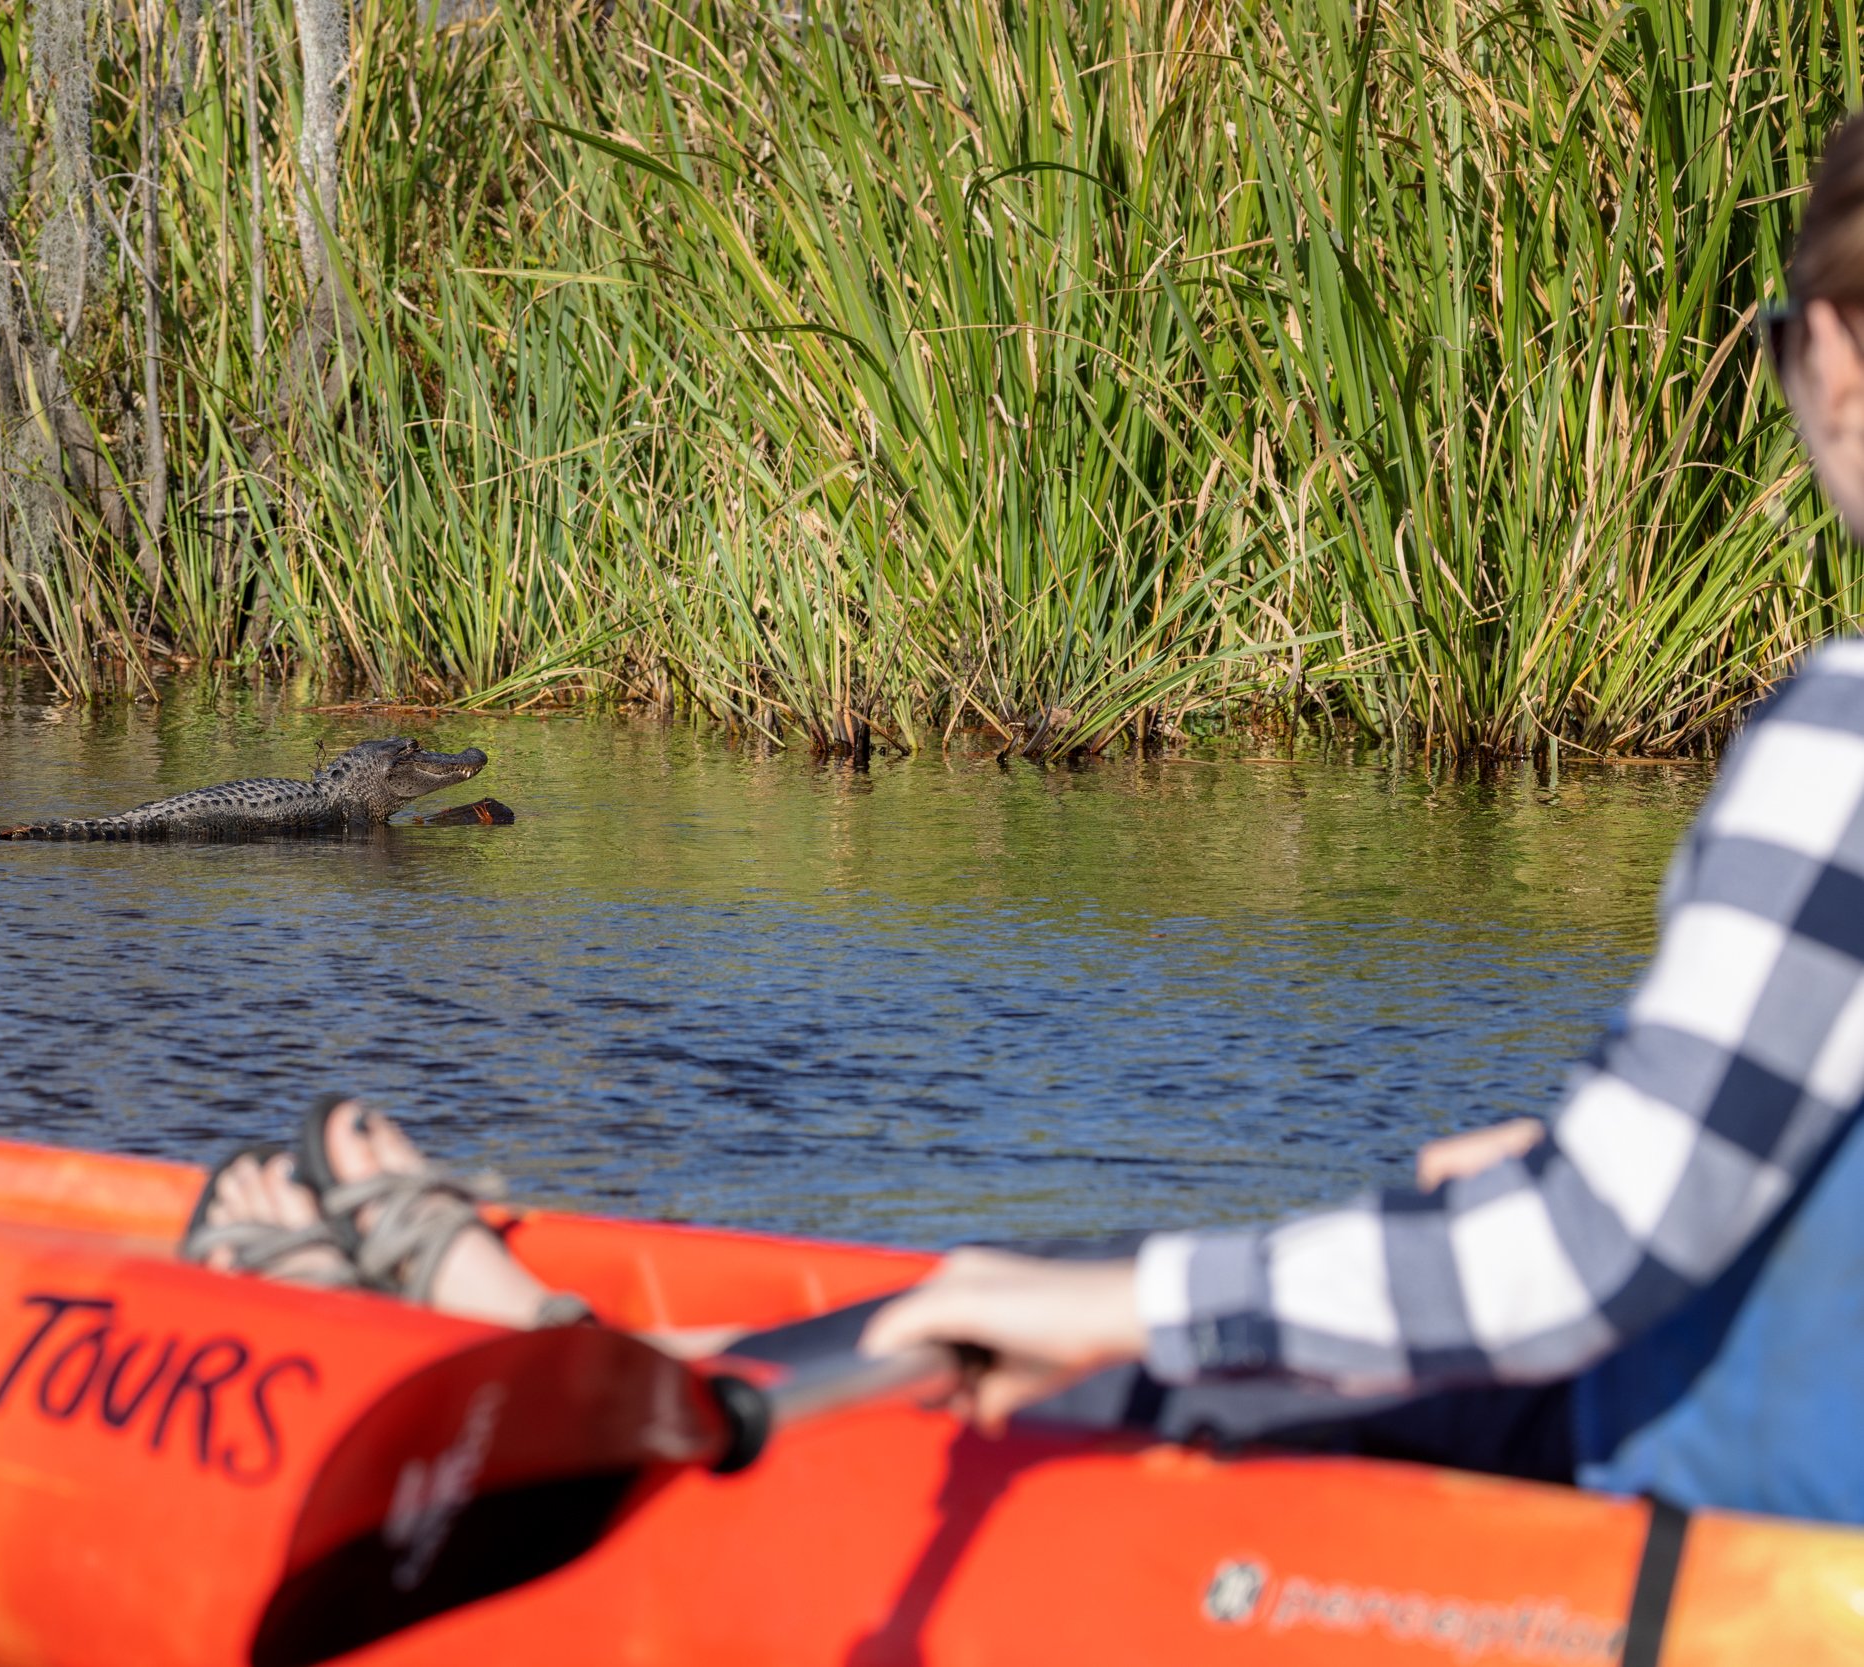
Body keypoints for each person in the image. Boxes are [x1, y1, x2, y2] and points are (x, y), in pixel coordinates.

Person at [191, 114, 1864, 1526]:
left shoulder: (1843, 734)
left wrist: (1116, 1300)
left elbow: (1582, 1261)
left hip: (1667, 1495)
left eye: (1786, 337)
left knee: (1045, 1353)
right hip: (1726, 1409)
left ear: (1838, 361)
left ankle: (570, 1374)